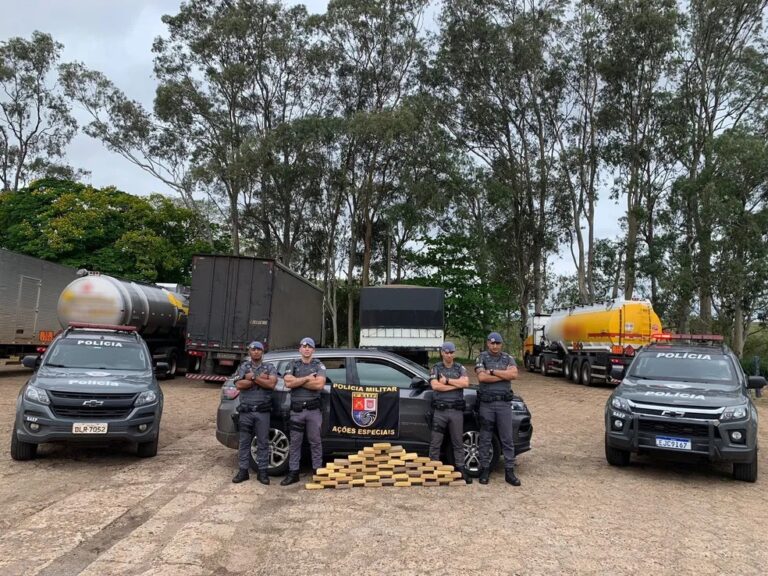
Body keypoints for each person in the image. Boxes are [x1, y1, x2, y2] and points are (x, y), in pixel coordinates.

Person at [474, 332, 521, 486]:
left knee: (507, 438)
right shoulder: (482, 357)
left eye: (498, 343)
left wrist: (493, 372)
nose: (495, 346)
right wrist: (504, 375)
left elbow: (513, 374)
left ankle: (509, 471)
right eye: (492, 343)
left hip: (504, 405)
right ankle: (485, 470)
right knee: (485, 438)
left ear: (501, 344)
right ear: (488, 343)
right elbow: (482, 378)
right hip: (487, 404)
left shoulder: (508, 358)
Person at [280, 337, 326, 486]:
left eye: (310, 346)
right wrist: (307, 378)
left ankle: (317, 472)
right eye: (304, 346)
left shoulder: (319, 365)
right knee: (295, 443)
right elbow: (288, 382)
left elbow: (319, 385)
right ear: (300, 349)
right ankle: (294, 473)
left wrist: (297, 381)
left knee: (315, 442)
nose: (306, 349)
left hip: (313, 411)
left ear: (313, 350)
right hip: (297, 411)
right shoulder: (292, 364)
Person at [232, 341, 277, 485]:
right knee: (244, 442)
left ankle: (262, 472)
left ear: (262, 352)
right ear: (249, 352)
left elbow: (271, 384)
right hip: (246, 411)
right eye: (253, 349)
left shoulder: (269, 367)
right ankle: (243, 471)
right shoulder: (244, 366)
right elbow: (239, 384)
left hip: (262, 411)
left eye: (258, 349)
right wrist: (260, 379)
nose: (256, 352)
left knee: (263, 442)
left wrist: (251, 378)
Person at [429, 341, 472, 484]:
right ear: (442, 352)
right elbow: (435, 386)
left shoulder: (460, 368)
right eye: (446, 352)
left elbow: (465, 383)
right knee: (436, 442)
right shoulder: (436, 368)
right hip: (440, 411)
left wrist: (446, 381)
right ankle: (433, 470)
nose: (449, 355)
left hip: (455, 412)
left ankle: (461, 469)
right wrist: (455, 385)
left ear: (454, 353)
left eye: (451, 352)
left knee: (458, 442)